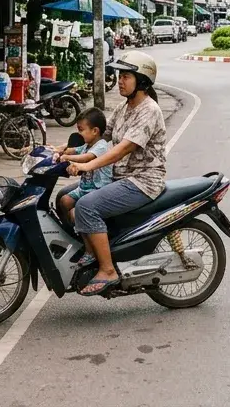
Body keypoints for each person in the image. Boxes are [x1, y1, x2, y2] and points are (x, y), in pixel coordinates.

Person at [65, 52, 167, 296]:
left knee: (86, 206)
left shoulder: (149, 110)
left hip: (143, 181)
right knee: (65, 197)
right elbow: (100, 136)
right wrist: (60, 151)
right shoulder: (124, 107)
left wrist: (88, 166)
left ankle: (108, 269)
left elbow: (123, 149)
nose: (120, 81)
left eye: (126, 76)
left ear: (141, 80)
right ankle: (90, 250)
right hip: (119, 177)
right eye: (119, 76)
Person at [55, 108, 111, 228]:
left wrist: (67, 157)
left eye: (81, 130)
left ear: (95, 131)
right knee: (64, 201)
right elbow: (73, 150)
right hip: (84, 189)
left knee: (76, 214)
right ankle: (72, 229)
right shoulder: (86, 145)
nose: (79, 134)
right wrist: (58, 150)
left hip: (98, 189)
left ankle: (83, 230)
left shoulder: (101, 146)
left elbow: (86, 157)